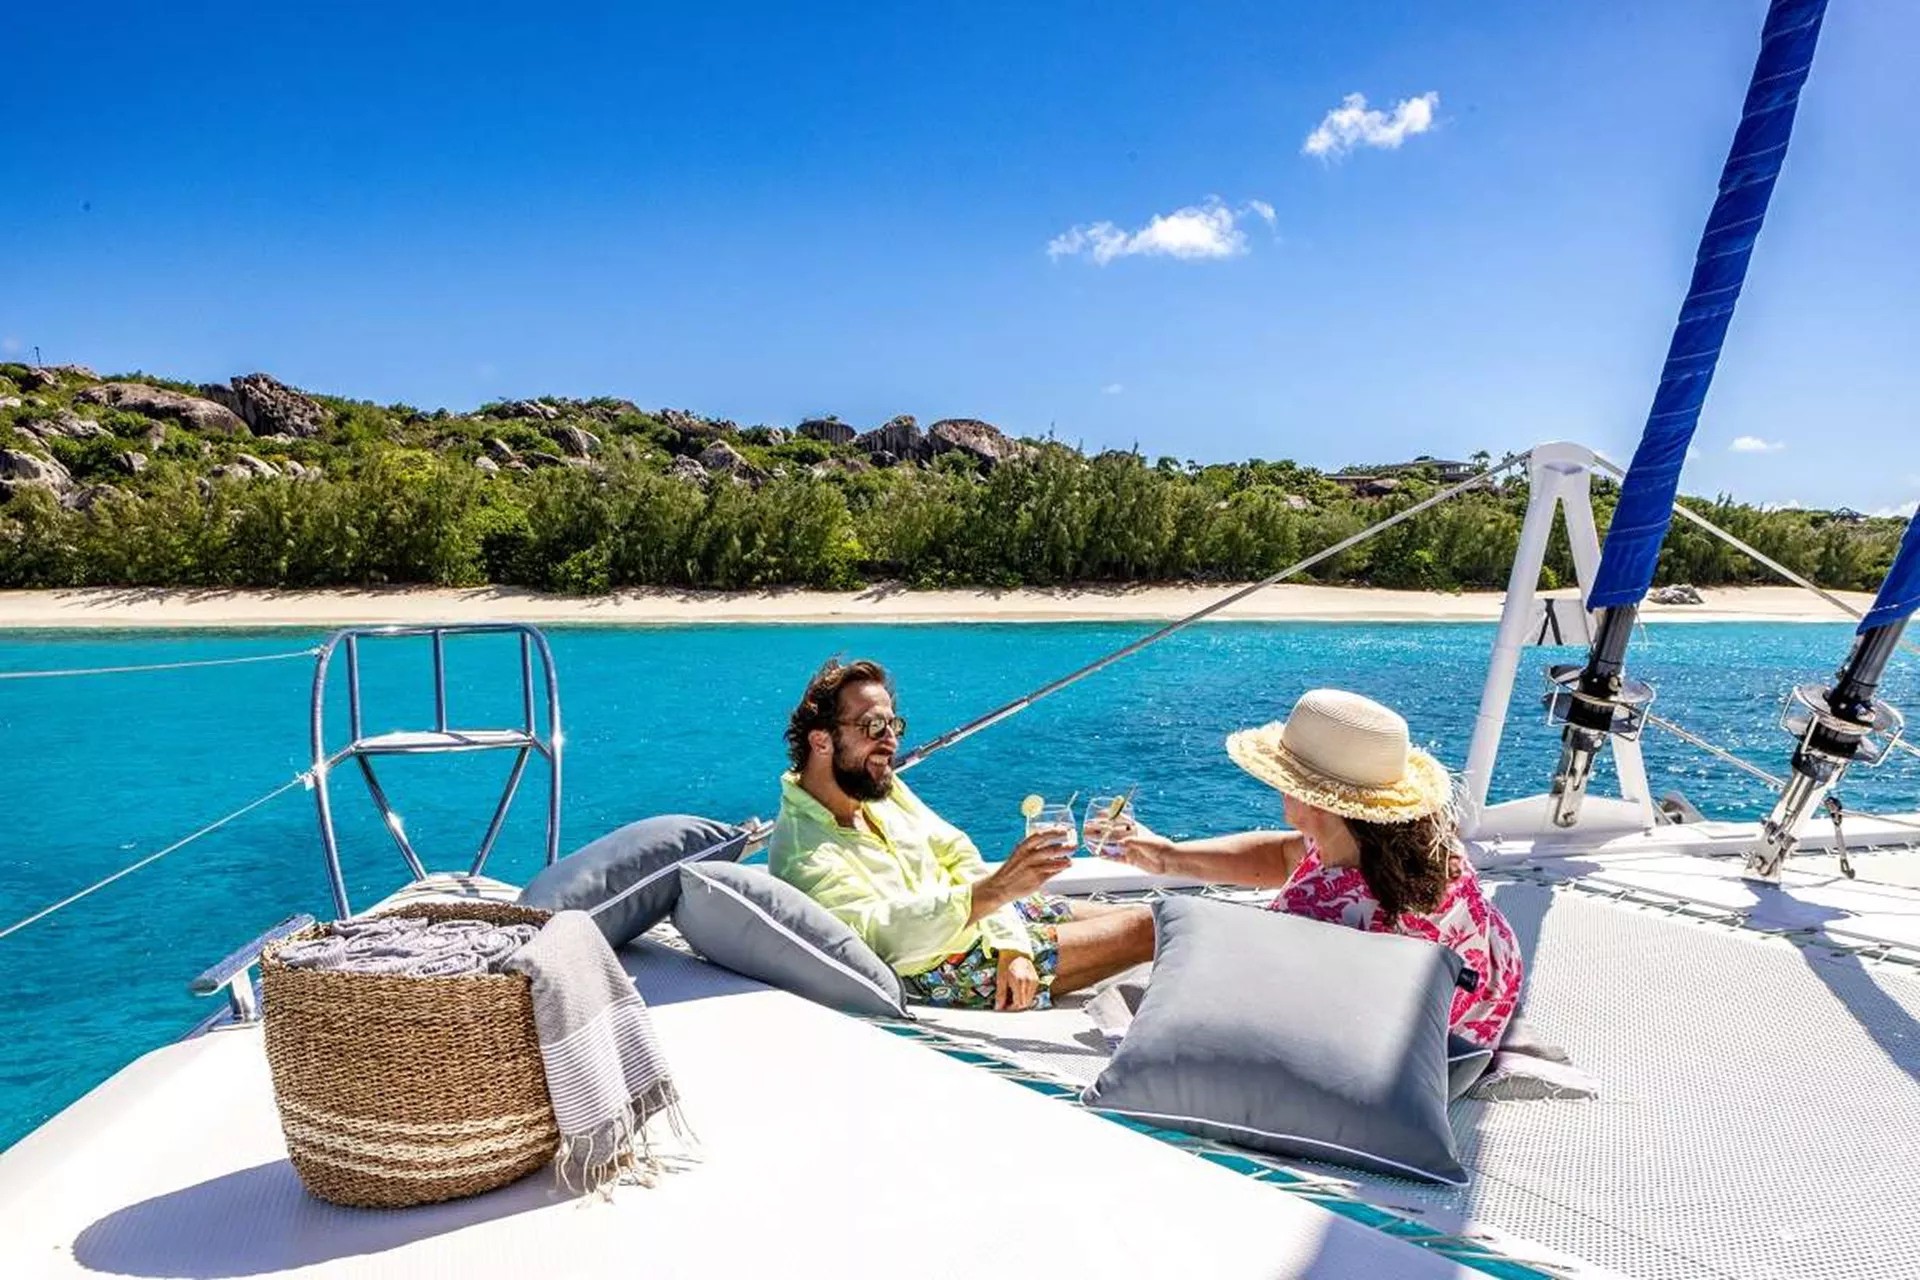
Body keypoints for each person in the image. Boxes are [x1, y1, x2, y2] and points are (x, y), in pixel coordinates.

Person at [1119, 688, 1523, 1048]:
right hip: (1482, 1010)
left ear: (1313, 798)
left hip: (1416, 1060)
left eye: (1286, 778)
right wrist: (1168, 855)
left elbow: (1266, 1013)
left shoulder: (1313, 914)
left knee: (1158, 942)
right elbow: (1284, 855)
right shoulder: (1414, 844)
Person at [770, 658, 1155, 1011]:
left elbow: (954, 850)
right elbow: (878, 937)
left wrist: (1007, 932)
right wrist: (996, 897)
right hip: (944, 963)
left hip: (979, 909)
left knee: (1153, 914)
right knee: (1151, 930)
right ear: (821, 741)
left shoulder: (874, 786)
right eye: (873, 726)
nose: (891, 741)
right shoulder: (803, 852)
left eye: (893, 725)